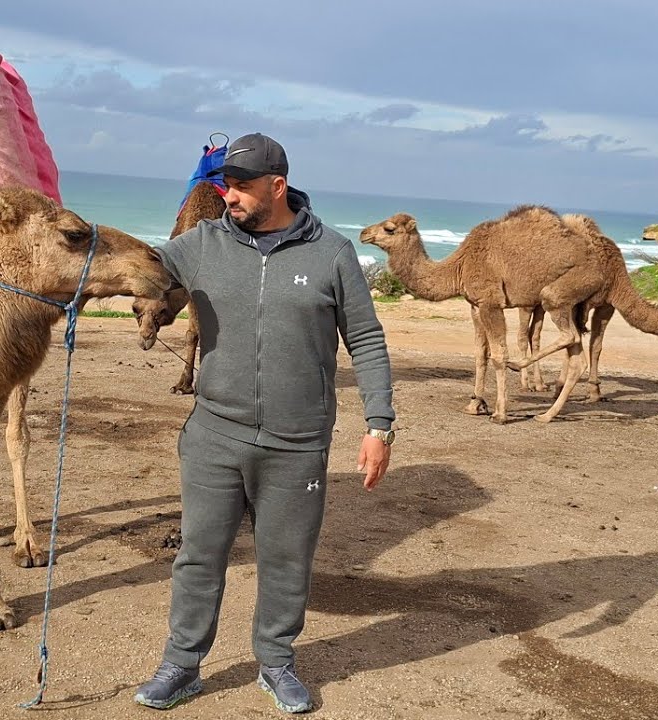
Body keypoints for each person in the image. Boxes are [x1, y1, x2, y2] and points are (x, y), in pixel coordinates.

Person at [134, 133, 397, 714]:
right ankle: (181, 664)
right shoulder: (201, 244)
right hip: (213, 435)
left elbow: (367, 341)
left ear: (277, 187)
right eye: (224, 185)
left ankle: (276, 662)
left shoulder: (332, 253)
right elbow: (142, 269)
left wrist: (379, 424)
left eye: (241, 187)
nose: (228, 196)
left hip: (296, 443)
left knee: (286, 560)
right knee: (199, 556)